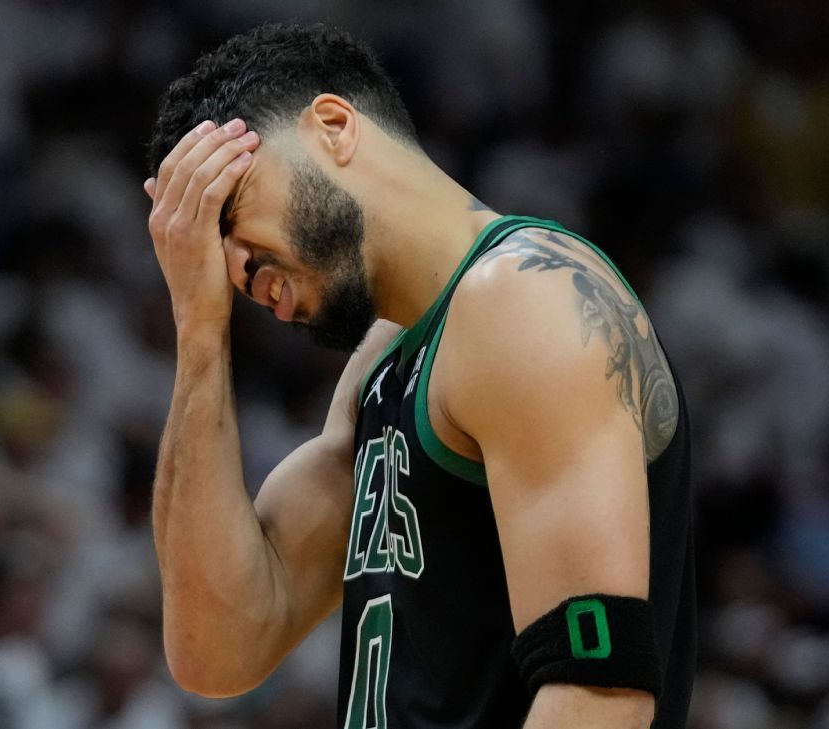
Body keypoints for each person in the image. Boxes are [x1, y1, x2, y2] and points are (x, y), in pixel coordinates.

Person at [141, 22, 695, 729]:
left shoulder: (526, 299)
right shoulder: (384, 359)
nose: (233, 269)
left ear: (334, 127)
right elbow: (216, 649)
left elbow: (598, 690)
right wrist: (198, 332)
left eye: (231, 208)